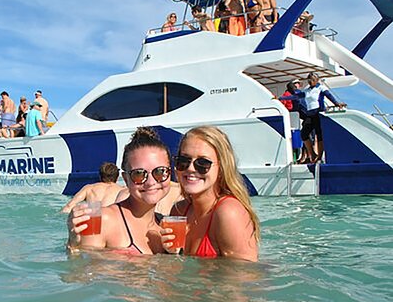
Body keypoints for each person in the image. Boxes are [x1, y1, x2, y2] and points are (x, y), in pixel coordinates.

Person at [66, 127, 174, 254]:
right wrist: (73, 245)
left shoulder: (165, 226)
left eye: (160, 171)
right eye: (138, 174)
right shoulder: (103, 220)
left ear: (170, 174)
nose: (151, 182)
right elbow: (81, 270)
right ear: (126, 179)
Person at [160, 126, 260, 261]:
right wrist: (170, 253)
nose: (190, 168)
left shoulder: (229, 212)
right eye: (184, 160)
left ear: (222, 168)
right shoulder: (179, 211)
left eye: (203, 163)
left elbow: (245, 276)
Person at [278, 73, 346, 163]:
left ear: (316, 80)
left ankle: (319, 156)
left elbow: (329, 95)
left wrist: (337, 103)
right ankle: (312, 153)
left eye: (312, 80)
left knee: (319, 135)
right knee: (304, 134)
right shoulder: (307, 90)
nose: (310, 81)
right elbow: (295, 97)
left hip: (319, 113)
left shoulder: (320, 88)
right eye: (309, 80)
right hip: (310, 114)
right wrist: (280, 98)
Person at [61, 162, 126, 214]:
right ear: (117, 177)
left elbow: (69, 206)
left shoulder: (89, 188)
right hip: (111, 220)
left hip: (93, 220)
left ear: (100, 176)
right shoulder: (123, 190)